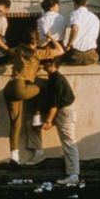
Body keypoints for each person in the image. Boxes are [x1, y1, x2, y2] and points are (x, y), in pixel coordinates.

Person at [35, 56, 80, 186]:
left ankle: (73, 175)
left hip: (64, 112)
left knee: (69, 142)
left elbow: (54, 106)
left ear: (54, 65)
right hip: (64, 111)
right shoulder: (54, 78)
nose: (45, 65)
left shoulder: (57, 81)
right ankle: (72, 173)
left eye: (48, 63)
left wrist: (49, 121)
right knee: (68, 142)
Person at [4, 31, 44, 166]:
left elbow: (9, 52)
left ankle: (14, 156)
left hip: (9, 87)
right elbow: (60, 50)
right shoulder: (38, 53)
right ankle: (37, 116)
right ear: (36, 41)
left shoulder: (17, 50)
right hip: (21, 87)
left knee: (15, 124)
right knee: (42, 87)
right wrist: (50, 39)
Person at [63, 0, 100, 65]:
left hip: (76, 56)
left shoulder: (75, 13)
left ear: (74, 3)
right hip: (91, 57)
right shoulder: (95, 17)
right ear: (86, 2)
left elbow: (75, 28)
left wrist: (69, 44)